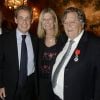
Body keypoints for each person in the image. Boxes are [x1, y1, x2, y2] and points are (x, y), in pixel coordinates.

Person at [51, 7, 100, 100]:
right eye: (65, 22)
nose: (68, 26)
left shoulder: (95, 45)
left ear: (82, 24)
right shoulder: (63, 40)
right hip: (56, 96)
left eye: (72, 22)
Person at [0, 5, 38, 100]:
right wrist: (1, 85)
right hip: (9, 87)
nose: (24, 22)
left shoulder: (36, 41)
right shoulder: (4, 39)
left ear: (31, 20)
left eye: (27, 18)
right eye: (21, 18)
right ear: (16, 20)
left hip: (30, 88)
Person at [37, 8, 67, 100]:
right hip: (42, 84)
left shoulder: (63, 38)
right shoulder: (38, 40)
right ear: (41, 23)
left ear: (54, 21)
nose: (47, 22)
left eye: (49, 19)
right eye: (44, 19)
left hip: (59, 82)